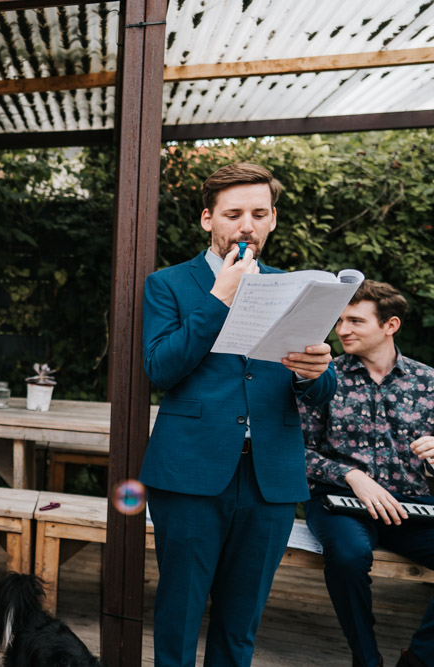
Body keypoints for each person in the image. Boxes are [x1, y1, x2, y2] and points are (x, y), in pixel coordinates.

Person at [140, 162, 336, 667]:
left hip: (270, 476)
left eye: (258, 213)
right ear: (208, 219)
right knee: (178, 615)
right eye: (233, 213)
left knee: (241, 622)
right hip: (189, 473)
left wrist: (315, 370)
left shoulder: (296, 287)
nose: (246, 225)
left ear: (272, 220)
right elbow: (160, 369)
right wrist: (219, 296)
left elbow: (320, 393)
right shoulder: (168, 284)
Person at [303, 280, 434, 667]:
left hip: (412, 506)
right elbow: (296, 450)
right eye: (340, 320)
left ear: (390, 325)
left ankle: (420, 660)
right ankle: (367, 658)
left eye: (356, 321)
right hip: (339, 503)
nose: (342, 330)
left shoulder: (429, 382)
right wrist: (350, 475)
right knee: (348, 556)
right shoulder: (322, 377)